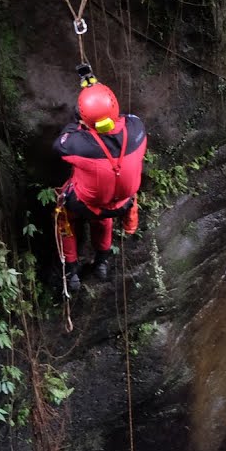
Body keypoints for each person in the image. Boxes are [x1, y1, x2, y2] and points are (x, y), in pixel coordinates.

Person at [54, 77, 146, 293]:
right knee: (103, 217)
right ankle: (101, 262)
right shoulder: (137, 129)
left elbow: (61, 143)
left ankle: (71, 270)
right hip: (121, 205)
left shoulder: (80, 145)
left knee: (63, 217)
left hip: (83, 204)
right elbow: (128, 119)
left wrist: (78, 124)